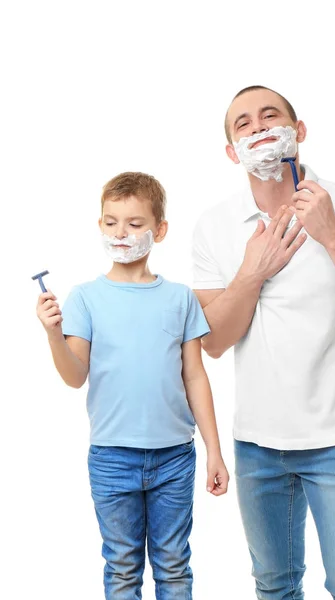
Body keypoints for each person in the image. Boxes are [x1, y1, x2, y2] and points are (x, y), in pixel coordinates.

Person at [192, 85, 335, 600]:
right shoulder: (214, 227)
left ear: (298, 131)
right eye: (242, 123)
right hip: (256, 446)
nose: (258, 126)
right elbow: (214, 342)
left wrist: (333, 235)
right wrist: (251, 274)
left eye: (270, 115)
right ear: (232, 151)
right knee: (274, 586)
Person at [36, 171, 229, 600]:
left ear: (159, 231)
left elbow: (195, 375)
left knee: (174, 567)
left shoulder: (179, 298)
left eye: (135, 223)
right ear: (100, 225)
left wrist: (214, 451)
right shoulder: (85, 298)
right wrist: (54, 334)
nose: (121, 233)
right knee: (122, 569)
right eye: (111, 222)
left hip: (175, 457)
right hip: (111, 458)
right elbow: (74, 376)